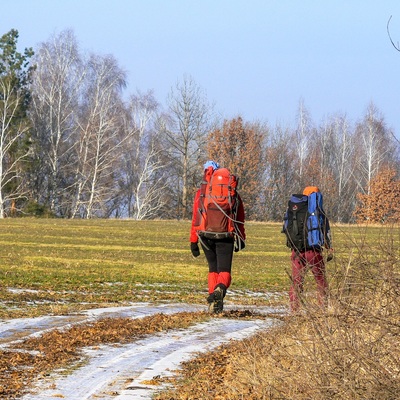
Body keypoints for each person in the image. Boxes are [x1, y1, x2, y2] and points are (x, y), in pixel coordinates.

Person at [190, 161, 246, 313]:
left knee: (213, 269)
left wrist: (193, 241)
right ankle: (220, 290)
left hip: (205, 236)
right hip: (226, 235)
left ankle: (213, 303)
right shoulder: (232, 192)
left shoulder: (202, 192)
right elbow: (239, 217)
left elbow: (196, 217)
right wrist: (241, 238)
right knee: (224, 270)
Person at [283, 186, 333, 312]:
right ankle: (323, 309)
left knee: (297, 281)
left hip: (296, 251)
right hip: (314, 251)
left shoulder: (294, 209)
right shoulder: (317, 211)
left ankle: (294, 310)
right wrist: (329, 247)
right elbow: (325, 232)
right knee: (320, 279)